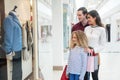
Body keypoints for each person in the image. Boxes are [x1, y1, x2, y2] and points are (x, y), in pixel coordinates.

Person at [84, 10, 106, 80]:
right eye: (87, 18)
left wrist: (93, 50)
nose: (88, 19)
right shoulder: (86, 28)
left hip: (94, 56)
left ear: (95, 18)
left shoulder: (101, 30)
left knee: (94, 76)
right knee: (85, 76)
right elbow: (84, 40)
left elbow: (103, 45)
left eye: (89, 17)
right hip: (85, 54)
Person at [2, 6, 22, 80]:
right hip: (13, 50)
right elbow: (8, 36)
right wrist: (8, 50)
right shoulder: (8, 19)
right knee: (16, 72)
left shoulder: (15, 19)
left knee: (18, 70)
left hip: (18, 49)